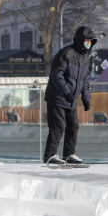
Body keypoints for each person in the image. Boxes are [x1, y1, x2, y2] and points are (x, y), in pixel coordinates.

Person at [43, 26, 97, 167]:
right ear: (80, 40)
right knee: (58, 126)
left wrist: (86, 98)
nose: (88, 43)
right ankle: (50, 155)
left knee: (74, 126)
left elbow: (84, 79)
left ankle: (69, 155)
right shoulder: (66, 53)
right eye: (86, 40)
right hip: (57, 97)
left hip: (71, 100)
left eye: (91, 41)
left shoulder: (85, 58)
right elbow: (57, 74)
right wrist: (66, 92)